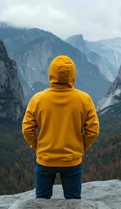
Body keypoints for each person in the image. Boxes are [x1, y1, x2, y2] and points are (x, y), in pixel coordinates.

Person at [22, 55, 99, 199]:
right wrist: (81, 146)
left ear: (51, 73)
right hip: (72, 161)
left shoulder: (37, 99)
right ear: (72, 75)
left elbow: (27, 129)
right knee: (73, 202)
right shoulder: (84, 99)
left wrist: (37, 145)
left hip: (45, 160)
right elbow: (93, 130)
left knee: (41, 202)